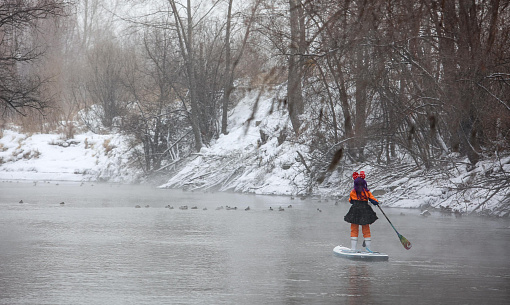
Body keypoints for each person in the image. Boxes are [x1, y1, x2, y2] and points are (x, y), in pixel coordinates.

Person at [344, 171, 379, 252]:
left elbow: (351, 201)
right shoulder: (366, 192)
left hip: (355, 210)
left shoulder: (353, 192)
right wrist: (376, 202)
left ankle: (353, 249)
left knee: (354, 229)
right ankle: (368, 249)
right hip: (365, 210)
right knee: (366, 229)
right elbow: (373, 200)